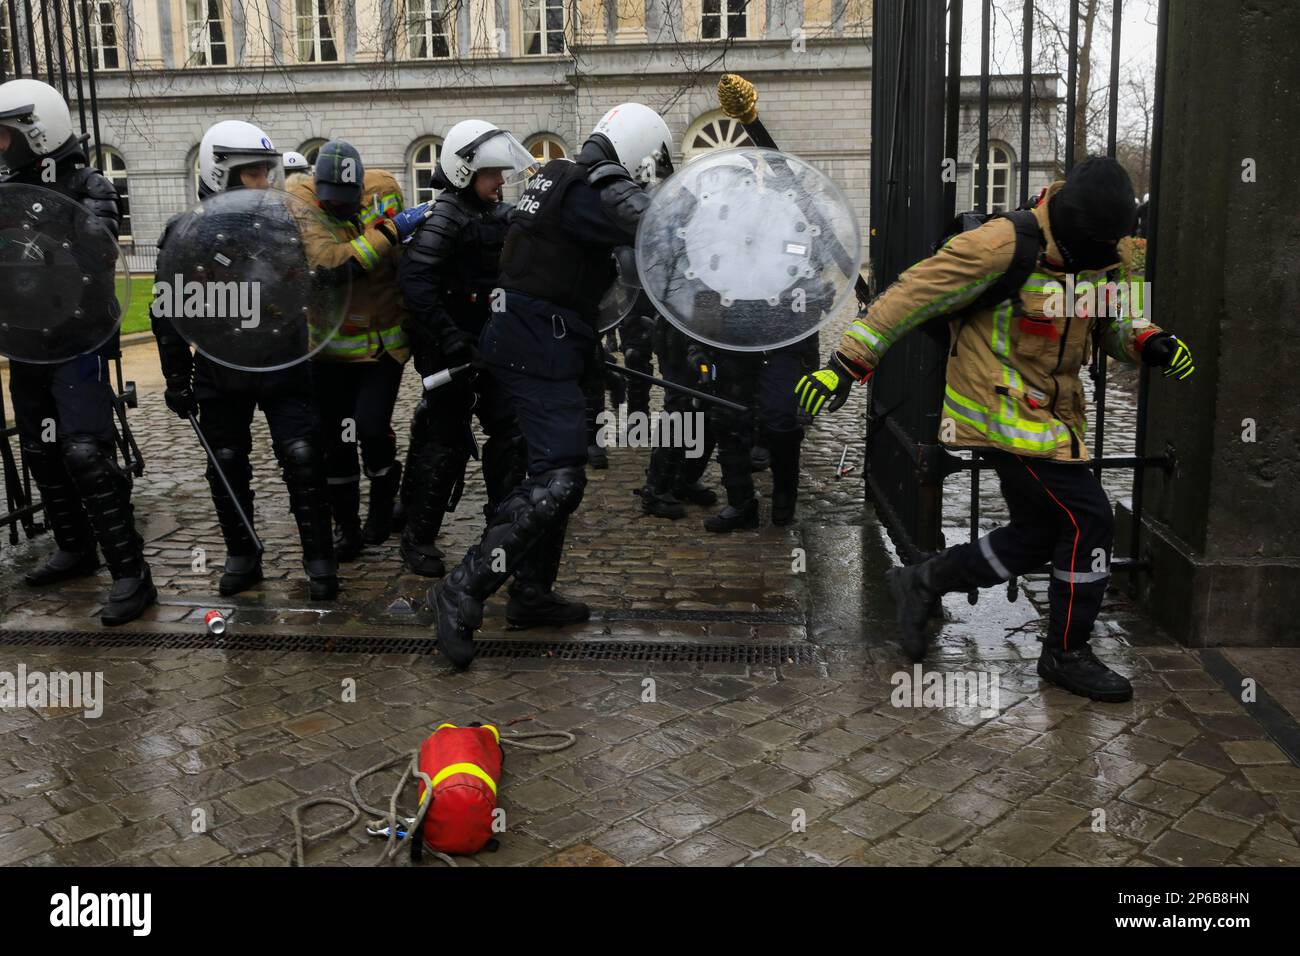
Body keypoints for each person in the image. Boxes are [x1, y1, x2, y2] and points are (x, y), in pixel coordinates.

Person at [796, 157, 1195, 702]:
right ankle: (1065, 653)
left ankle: (925, 580)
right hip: (1000, 413)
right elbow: (907, 297)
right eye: (1101, 243)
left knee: (1036, 536)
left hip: (1055, 418)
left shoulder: (1107, 252)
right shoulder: (1001, 244)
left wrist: (1148, 341)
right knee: (1088, 519)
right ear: (1073, 222)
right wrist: (842, 365)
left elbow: (1116, 319)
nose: (1111, 252)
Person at [431, 102, 675, 668]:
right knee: (558, 481)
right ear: (635, 153)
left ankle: (532, 594)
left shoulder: (558, 176)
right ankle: (462, 588)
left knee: (542, 475)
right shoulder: (589, 188)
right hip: (536, 349)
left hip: (541, 343)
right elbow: (652, 224)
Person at [152, 120, 339, 599]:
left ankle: (319, 558)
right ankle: (243, 553)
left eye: (264, 170)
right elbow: (168, 308)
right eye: (253, 172)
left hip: (284, 359)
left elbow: (316, 286)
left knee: (302, 457)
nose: (264, 180)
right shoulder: (185, 231)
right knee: (227, 461)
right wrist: (176, 375)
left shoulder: (285, 222)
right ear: (223, 173)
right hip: (221, 366)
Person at [0, 78, 155, 625]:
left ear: (35, 132)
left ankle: (133, 574)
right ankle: (73, 547)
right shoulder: (5, 186)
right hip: (25, 342)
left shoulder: (90, 183)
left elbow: (97, 253)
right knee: (41, 451)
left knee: (87, 453)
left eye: (3, 136)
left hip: (77, 341)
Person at [396, 119, 532, 578]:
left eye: (499, 173)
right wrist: (451, 338)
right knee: (445, 442)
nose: (499, 182)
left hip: (491, 347)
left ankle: (503, 525)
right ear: (463, 172)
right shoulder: (447, 216)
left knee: (510, 434)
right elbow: (415, 283)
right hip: (450, 353)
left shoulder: (491, 214)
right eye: (491, 173)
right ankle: (417, 536)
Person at [290, 140, 425, 560]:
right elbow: (329, 266)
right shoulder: (300, 198)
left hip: (384, 340)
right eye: (335, 204)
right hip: (331, 348)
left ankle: (383, 506)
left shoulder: (384, 188)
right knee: (336, 440)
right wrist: (390, 231)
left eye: (349, 202)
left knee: (370, 427)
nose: (343, 209)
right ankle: (345, 527)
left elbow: (403, 261)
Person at [637, 302, 718, 519]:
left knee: (709, 413)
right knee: (679, 412)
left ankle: (686, 480)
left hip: (711, 327)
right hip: (679, 329)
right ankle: (656, 490)